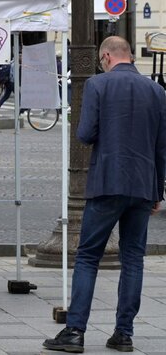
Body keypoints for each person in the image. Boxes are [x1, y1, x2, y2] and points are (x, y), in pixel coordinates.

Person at [44, 36, 166, 354]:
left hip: (107, 183)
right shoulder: (157, 91)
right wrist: (158, 191)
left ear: (107, 56)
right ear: (129, 57)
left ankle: (75, 332)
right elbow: (161, 147)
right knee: (133, 260)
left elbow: (85, 134)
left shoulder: (98, 85)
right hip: (142, 186)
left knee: (87, 257)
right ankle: (123, 334)